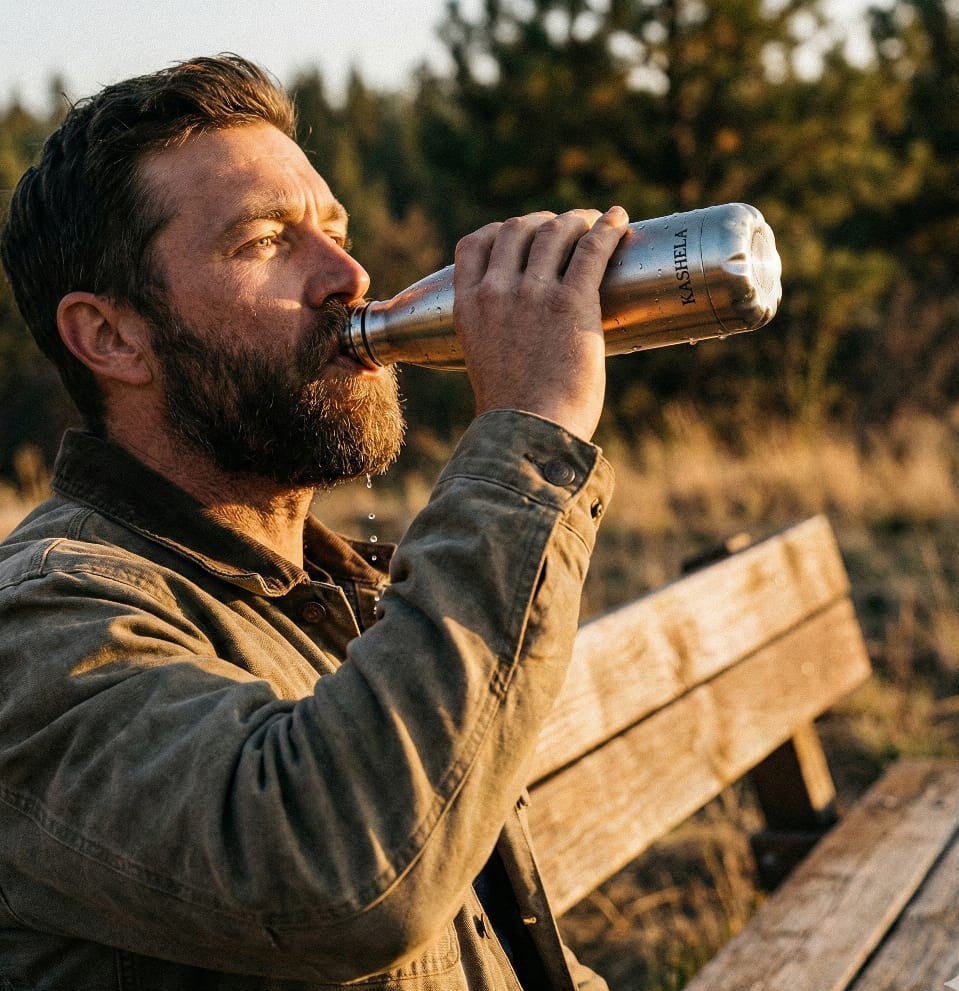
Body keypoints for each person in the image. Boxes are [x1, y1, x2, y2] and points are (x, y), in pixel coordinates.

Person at [0, 55, 628, 990]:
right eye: (265, 241)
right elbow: (343, 872)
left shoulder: (325, 596)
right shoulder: (46, 623)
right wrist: (528, 436)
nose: (350, 276)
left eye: (333, 229)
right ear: (113, 336)